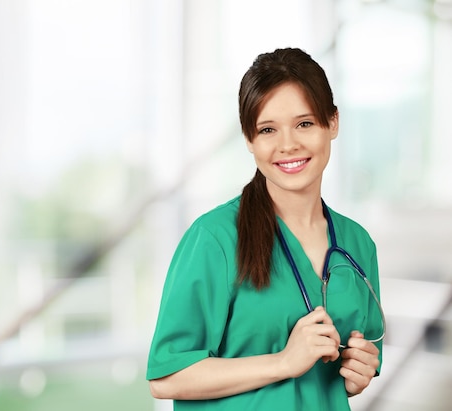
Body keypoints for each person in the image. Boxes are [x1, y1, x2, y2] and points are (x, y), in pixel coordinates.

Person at [146, 47, 384, 410]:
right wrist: (283, 363)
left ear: (332, 123)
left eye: (304, 123)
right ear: (249, 140)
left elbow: (350, 365)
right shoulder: (215, 238)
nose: (288, 145)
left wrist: (358, 373)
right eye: (267, 129)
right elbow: (166, 378)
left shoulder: (357, 243)